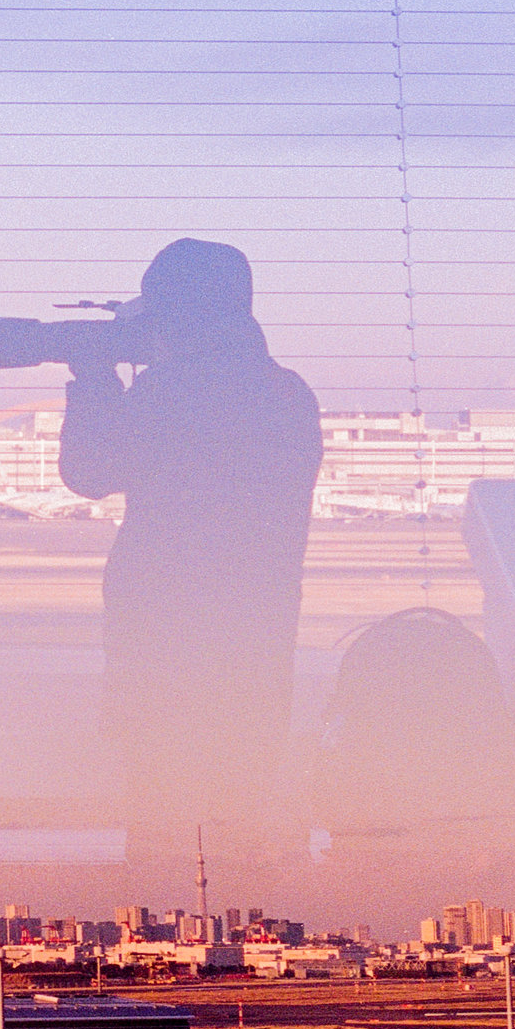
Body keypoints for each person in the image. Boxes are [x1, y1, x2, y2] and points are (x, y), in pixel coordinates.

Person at [57, 238, 321, 854]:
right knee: (245, 807)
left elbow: (90, 472)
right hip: (259, 630)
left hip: (162, 632)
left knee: (161, 817)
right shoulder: (288, 394)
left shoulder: (168, 392)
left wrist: (96, 376)